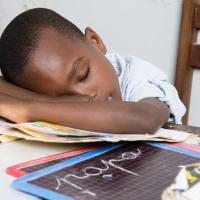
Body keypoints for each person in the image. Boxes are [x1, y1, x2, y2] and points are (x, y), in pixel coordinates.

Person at [0, 8, 185, 134]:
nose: (85, 97)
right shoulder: (59, 91)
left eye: (84, 75)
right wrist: (46, 101)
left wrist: (28, 110)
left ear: (95, 42)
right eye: (61, 98)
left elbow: (144, 118)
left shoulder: (137, 75)